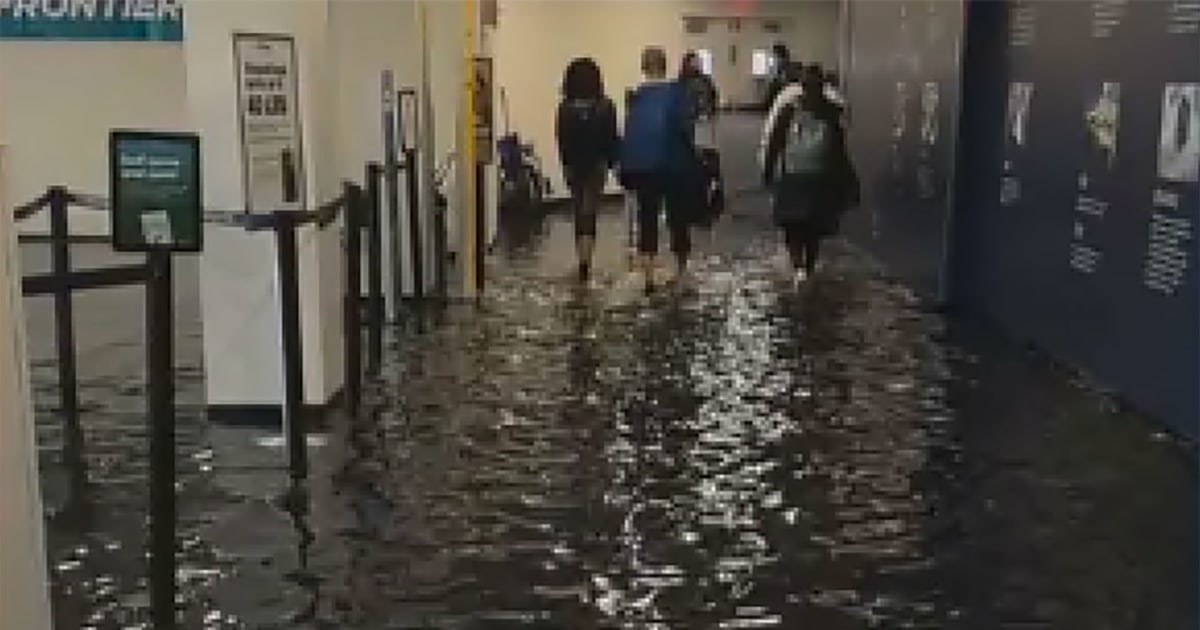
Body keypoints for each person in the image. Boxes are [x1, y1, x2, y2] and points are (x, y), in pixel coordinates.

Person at [762, 65, 859, 287]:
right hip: (820, 177)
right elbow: (839, 151)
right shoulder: (831, 113)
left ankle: (798, 269)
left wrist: (768, 173)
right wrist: (849, 181)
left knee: (792, 226)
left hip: (794, 176)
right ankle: (808, 268)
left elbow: (775, 144)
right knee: (813, 229)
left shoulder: (789, 110)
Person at [619, 46, 695, 293]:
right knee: (678, 218)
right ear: (664, 65)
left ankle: (649, 275)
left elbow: (629, 135)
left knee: (647, 217)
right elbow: (687, 128)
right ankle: (680, 271)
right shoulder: (677, 93)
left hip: (642, 167)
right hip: (674, 164)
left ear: (644, 67)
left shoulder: (636, 97)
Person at [556, 57, 619, 282]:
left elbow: (561, 139)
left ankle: (581, 260)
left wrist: (565, 165)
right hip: (597, 166)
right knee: (590, 211)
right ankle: (586, 259)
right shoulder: (606, 106)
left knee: (578, 210)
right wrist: (614, 163)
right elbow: (611, 139)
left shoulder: (564, 108)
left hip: (574, 166)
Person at [758, 62, 845, 169]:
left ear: (822, 87)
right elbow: (774, 142)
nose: (811, 91)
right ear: (802, 87)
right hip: (795, 172)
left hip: (822, 173)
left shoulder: (831, 110)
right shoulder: (789, 109)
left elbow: (839, 146)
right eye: (808, 86)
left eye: (816, 86)